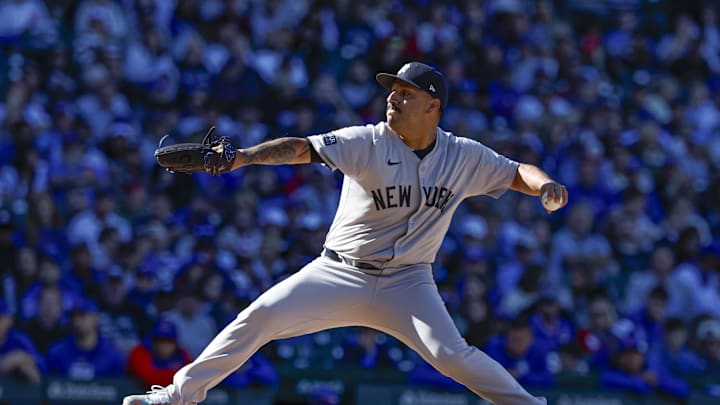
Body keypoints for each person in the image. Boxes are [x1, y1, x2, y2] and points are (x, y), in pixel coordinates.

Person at [123, 61, 567, 405]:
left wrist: (544, 184)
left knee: (453, 356)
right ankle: (176, 396)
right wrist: (244, 158)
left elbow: (515, 172)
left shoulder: (463, 155)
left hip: (409, 282)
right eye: (392, 90)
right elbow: (302, 148)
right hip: (339, 273)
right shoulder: (367, 140)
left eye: (405, 92)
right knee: (259, 319)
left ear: (433, 107)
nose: (393, 97)